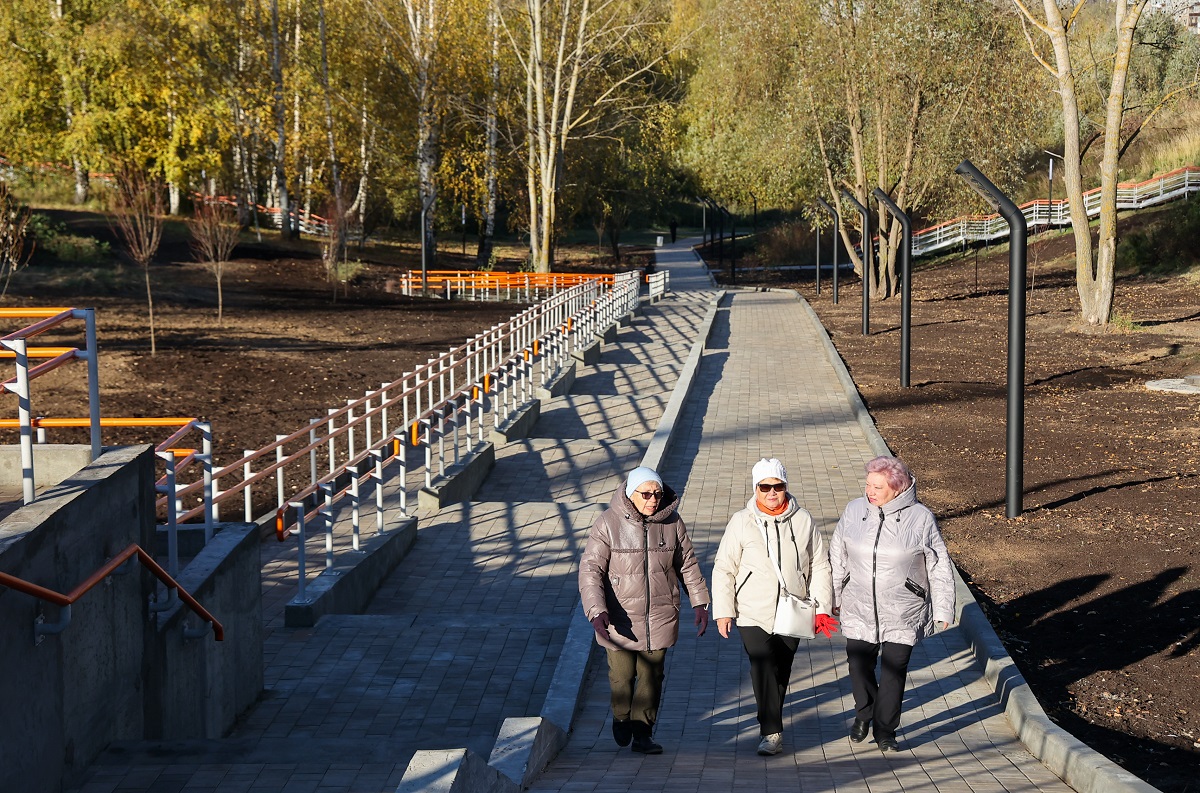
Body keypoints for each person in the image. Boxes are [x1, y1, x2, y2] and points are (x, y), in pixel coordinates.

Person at [579, 466, 711, 755]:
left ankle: (643, 733)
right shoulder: (608, 524)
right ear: (630, 493)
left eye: (657, 494)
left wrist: (699, 602)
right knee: (622, 678)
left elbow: (687, 564)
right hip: (619, 618)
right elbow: (590, 570)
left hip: (660, 614)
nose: (653, 499)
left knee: (652, 676)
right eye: (646, 494)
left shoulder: (672, 522)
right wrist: (596, 610)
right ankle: (621, 715)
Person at [712, 458, 838, 756]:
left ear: (786, 487)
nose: (772, 493)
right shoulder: (741, 521)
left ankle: (770, 722)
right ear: (755, 489)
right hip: (752, 610)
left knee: (781, 670)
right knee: (762, 664)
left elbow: (820, 565)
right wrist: (724, 610)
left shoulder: (804, 519)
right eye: (765, 487)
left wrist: (822, 607)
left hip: (793, 609)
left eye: (777, 487)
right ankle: (771, 730)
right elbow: (724, 567)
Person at [830, 455, 956, 752]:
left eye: (877, 487)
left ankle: (885, 730)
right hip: (859, 603)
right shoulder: (854, 510)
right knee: (858, 663)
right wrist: (834, 595)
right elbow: (837, 554)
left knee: (894, 669)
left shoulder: (921, 517)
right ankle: (864, 714)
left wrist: (943, 608)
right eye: (868, 485)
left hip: (903, 608)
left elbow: (938, 564)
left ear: (897, 489)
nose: (869, 491)